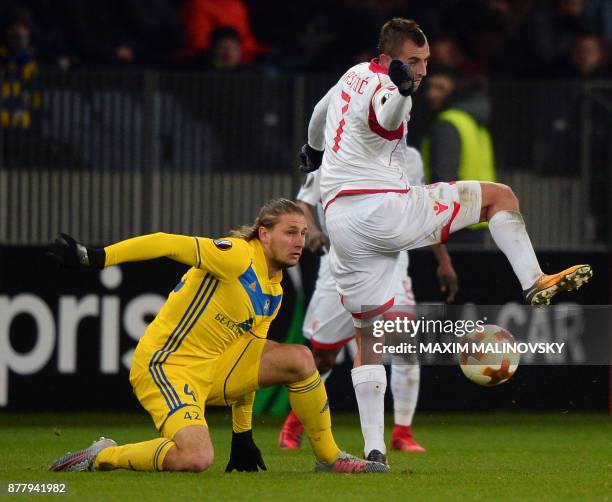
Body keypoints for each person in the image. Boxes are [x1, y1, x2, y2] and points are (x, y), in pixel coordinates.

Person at [299, 17, 592, 463]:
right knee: (500, 197)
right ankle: (534, 280)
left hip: (343, 222)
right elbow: (386, 114)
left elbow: (319, 115)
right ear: (389, 58)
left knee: (369, 337)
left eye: (425, 61)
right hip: (384, 208)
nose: (421, 68)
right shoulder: (391, 88)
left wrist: (313, 153)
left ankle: (375, 451)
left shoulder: (350, 75)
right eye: (413, 61)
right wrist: (402, 92)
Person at [47, 199, 387, 474]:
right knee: (196, 459)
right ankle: (104, 455)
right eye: (289, 232)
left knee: (300, 358)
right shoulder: (236, 255)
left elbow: (249, 355)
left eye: (303, 233)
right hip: (167, 366)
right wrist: (98, 258)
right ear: (264, 234)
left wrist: (243, 434)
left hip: (216, 369)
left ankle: (329, 457)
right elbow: (164, 242)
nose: (299, 241)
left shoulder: (275, 289)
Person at [279, 146, 456, 456]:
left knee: (404, 345)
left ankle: (402, 432)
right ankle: (295, 422)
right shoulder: (337, 150)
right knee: (322, 357)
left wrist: (444, 260)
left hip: (391, 261)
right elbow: (304, 203)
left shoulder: (409, 158)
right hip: (342, 263)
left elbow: (423, 211)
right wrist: (315, 232)